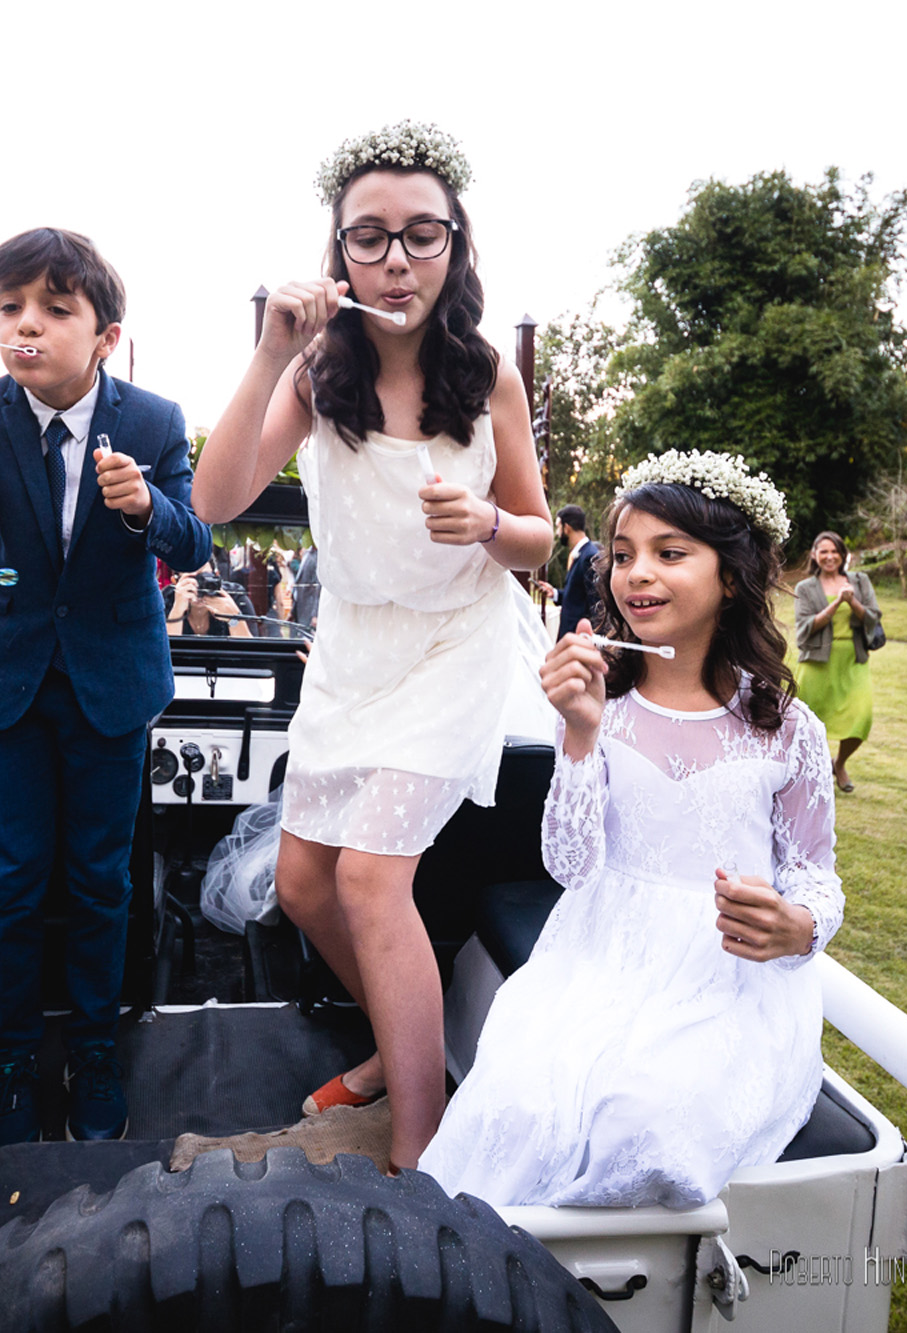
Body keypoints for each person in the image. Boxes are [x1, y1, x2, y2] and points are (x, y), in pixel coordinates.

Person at [190, 123, 553, 1171]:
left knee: (366, 881)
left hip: (456, 642)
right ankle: (415, 1052)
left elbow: (533, 532)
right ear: (336, 253)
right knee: (302, 882)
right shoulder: (314, 371)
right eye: (369, 238)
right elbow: (214, 501)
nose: (395, 260)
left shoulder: (486, 376)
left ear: (455, 246)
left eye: (420, 235)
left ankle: (417, 1148)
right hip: (352, 648)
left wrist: (486, 525)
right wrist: (266, 354)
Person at [419, 450, 843, 1208]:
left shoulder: (788, 729)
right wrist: (579, 737)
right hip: (599, 949)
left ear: (733, 575)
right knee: (520, 1103)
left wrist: (800, 923)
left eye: (668, 553)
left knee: (644, 1125)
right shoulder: (602, 707)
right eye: (622, 556)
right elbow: (571, 863)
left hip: (727, 975)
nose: (635, 573)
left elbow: (815, 872)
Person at [0, 226, 210, 1148]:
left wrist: (148, 506)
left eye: (54, 307)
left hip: (109, 684)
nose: (26, 325)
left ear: (106, 334)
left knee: (98, 880)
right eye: (10, 306)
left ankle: (93, 1051)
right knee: (9, 879)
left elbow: (194, 541)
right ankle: (10, 1058)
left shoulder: (156, 421)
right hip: (7, 681)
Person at [793, 531, 883, 794]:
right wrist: (833, 607)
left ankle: (839, 763)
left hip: (853, 660)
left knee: (861, 717)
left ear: (843, 555)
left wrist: (852, 600)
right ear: (814, 555)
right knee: (807, 723)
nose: (830, 556)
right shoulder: (805, 588)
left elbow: (873, 618)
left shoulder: (860, 581)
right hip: (817, 663)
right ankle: (811, 772)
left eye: (835, 551)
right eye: (824, 551)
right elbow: (804, 628)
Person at [536, 505, 601, 640]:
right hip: (569, 636)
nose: (558, 533)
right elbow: (577, 598)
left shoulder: (589, 556)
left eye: (558, 527)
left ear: (567, 527)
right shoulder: (581, 554)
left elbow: (595, 602)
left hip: (579, 637)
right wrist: (554, 593)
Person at [166, 566, 253, 637]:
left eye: (206, 578)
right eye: (193, 579)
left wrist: (233, 618)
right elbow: (162, 653)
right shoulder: (166, 600)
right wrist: (177, 611)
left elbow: (252, 653)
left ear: (217, 577)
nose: (199, 586)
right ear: (175, 582)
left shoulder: (235, 597)